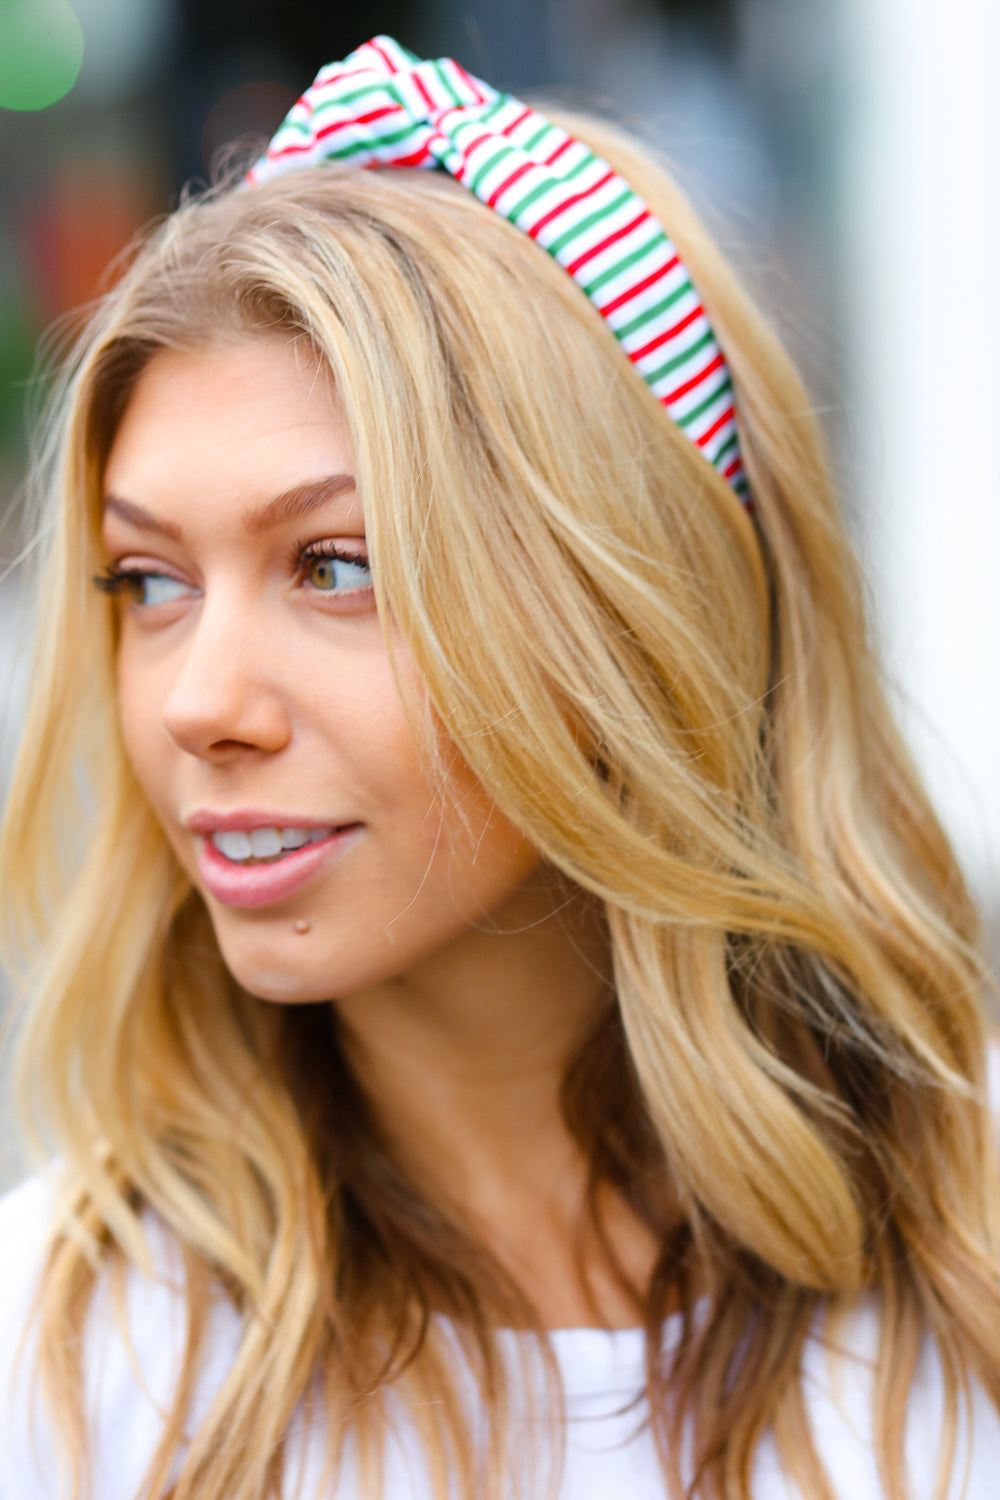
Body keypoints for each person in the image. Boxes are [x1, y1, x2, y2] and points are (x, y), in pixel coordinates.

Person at [0, 34, 998, 1500]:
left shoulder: (962, 1296)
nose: (199, 703)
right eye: (149, 583)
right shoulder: (68, 1360)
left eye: (334, 566)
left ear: (633, 619)